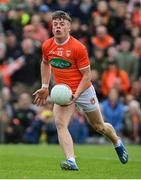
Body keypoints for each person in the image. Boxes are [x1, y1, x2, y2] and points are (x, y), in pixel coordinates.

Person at [33, 10, 128, 171]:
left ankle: (116, 141)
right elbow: (45, 63)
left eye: (62, 24)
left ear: (69, 27)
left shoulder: (78, 48)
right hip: (63, 91)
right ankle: (71, 160)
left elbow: (87, 76)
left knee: (99, 127)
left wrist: (75, 95)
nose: (58, 27)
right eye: (55, 24)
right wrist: (44, 86)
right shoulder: (47, 45)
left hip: (83, 90)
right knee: (60, 123)